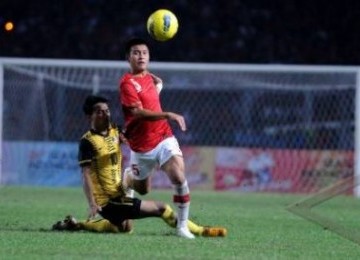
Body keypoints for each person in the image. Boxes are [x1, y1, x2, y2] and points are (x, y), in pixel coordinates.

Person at [70, 94, 226, 237]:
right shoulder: (87, 142)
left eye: (107, 110)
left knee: (124, 227)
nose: (106, 114)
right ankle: (200, 230)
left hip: (119, 190)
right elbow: (85, 174)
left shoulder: (115, 131)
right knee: (161, 209)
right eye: (100, 112)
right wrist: (92, 204)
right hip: (108, 202)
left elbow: (135, 134)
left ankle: (78, 224)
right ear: (89, 116)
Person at [119, 37, 195, 239]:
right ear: (128, 58)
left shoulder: (149, 79)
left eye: (144, 52)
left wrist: (158, 85)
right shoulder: (127, 84)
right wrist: (168, 114)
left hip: (163, 137)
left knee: (178, 177)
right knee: (143, 190)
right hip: (141, 147)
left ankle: (182, 227)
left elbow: (156, 87)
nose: (141, 56)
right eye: (136, 52)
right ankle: (127, 178)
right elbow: (138, 113)